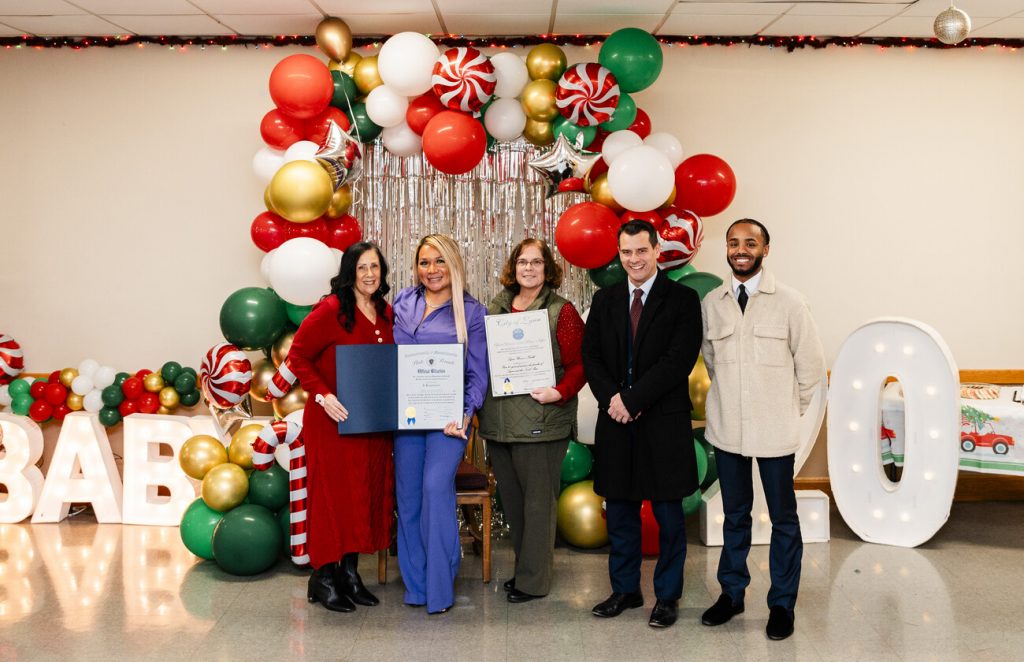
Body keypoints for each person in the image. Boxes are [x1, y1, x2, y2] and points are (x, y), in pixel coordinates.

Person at [699, 218, 825, 641]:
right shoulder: (713, 303)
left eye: (750, 243)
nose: (740, 249)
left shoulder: (791, 303)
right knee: (735, 516)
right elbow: (713, 364)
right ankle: (731, 594)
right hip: (728, 429)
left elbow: (810, 374)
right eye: (734, 243)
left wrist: (787, 411)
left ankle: (782, 604)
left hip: (775, 431)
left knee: (783, 518)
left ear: (765, 250)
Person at [581, 219, 702, 629]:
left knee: (669, 515)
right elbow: (591, 358)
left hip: (662, 422)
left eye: (641, 251)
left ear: (656, 251)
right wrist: (614, 401)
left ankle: (667, 596)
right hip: (615, 420)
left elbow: (677, 361)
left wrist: (632, 400)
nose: (634, 259)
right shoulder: (605, 300)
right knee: (621, 512)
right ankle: (626, 590)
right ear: (619, 254)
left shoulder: (683, 300)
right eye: (626, 252)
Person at [287, 241, 396, 613]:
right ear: (349, 272)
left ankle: (350, 573)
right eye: (362, 268)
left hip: (372, 423)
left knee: (363, 496)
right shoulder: (330, 309)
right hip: (333, 420)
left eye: (375, 268)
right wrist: (321, 395)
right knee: (332, 498)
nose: (369, 275)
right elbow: (298, 357)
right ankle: (324, 578)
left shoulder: (385, 312)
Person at [477, 238, 587, 604]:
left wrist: (560, 392)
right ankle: (526, 571)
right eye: (522, 261)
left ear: (547, 268)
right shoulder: (496, 307)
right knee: (515, 504)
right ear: (513, 266)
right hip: (500, 423)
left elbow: (580, 364)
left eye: (536, 262)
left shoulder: (561, 311)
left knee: (539, 506)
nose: (528, 268)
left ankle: (534, 582)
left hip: (543, 421)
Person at [392, 234, 489, 614]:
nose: (431, 270)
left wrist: (466, 415)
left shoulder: (472, 312)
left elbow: (478, 374)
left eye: (439, 262)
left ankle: (439, 586)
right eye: (424, 262)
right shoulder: (402, 303)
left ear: (453, 264)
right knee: (409, 498)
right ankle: (415, 586)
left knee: (435, 488)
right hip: (407, 417)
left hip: (449, 421)